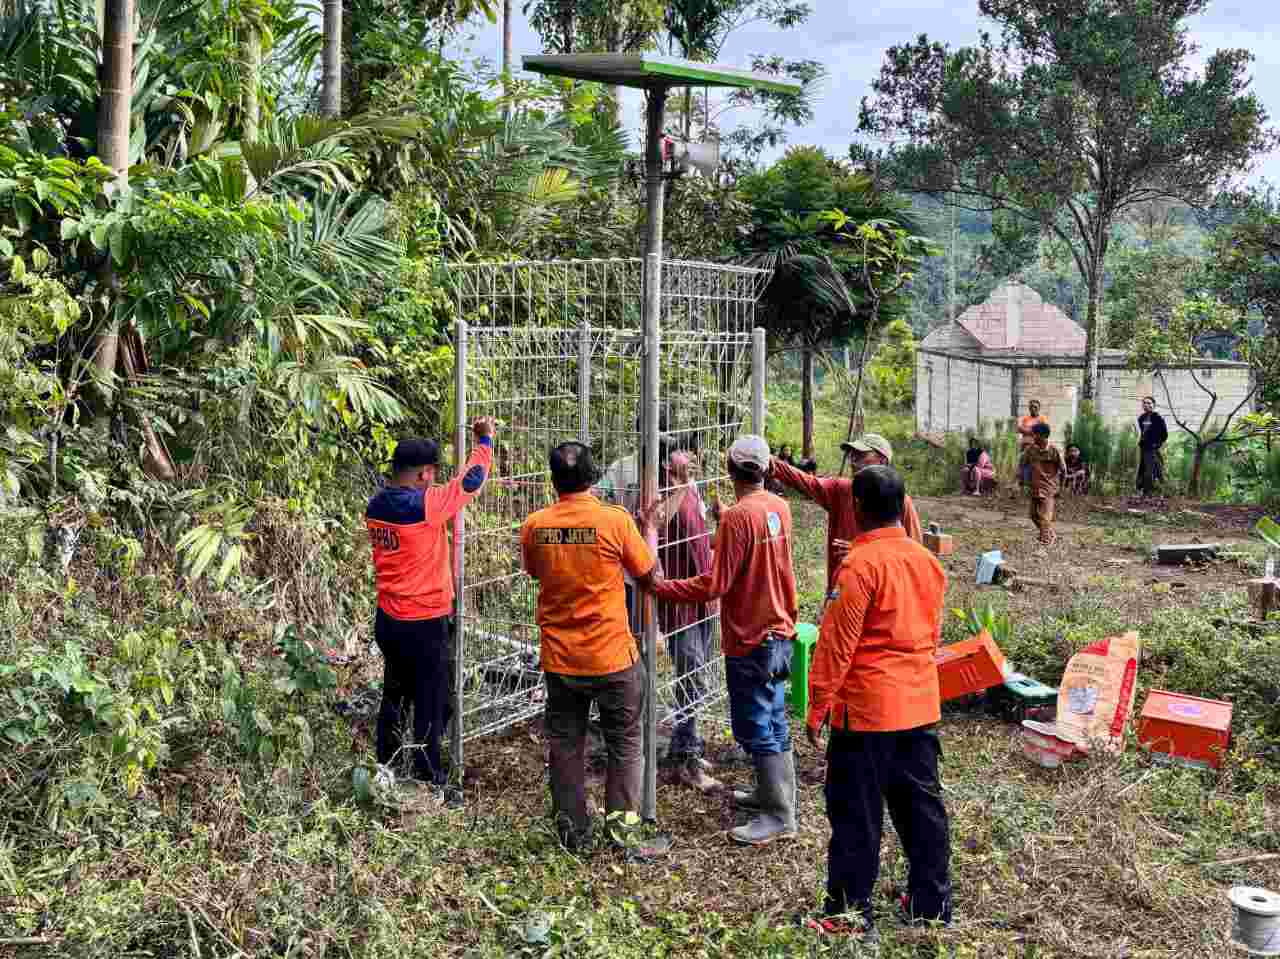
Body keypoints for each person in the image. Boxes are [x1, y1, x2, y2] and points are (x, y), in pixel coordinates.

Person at [802, 465, 950, 940]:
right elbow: (931, 635)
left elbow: (836, 645)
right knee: (921, 810)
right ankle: (931, 904)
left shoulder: (860, 566)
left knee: (855, 814)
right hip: (919, 706)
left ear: (858, 508)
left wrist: (817, 705)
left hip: (866, 713)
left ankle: (847, 914)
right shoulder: (928, 562)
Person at [648, 435, 799, 846]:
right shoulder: (778, 508)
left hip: (751, 635)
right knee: (775, 717)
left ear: (730, 470)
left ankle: (779, 816)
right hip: (779, 628)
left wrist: (662, 587)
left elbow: (716, 583)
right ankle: (774, 795)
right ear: (767, 470)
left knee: (755, 725)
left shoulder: (737, 517)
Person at [521, 442, 658, 849]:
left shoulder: (535, 525)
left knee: (565, 746)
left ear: (552, 480)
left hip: (562, 661)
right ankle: (623, 835)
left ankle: (573, 834)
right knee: (626, 744)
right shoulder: (614, 521)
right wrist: (648, 529)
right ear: (594, 476)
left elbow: (534, 571)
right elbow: (648, 573)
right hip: (613, 657)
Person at [365, 418, 495, 786]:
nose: (436, 480)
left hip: (389, 618)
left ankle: (386, 765)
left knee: (395, 692)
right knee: (430, 700)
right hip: (424, 621)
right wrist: (483, 440)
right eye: (433, 474)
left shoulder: (376, 505)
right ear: (424, 474)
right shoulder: (424, 506)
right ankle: (429, 776)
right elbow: (471, 481)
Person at [770, 433, 923, 595]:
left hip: (879, 597)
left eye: (861, 455)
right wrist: (769, 462)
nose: (853, 461)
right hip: (839, 591)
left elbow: (914, 557)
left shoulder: (902, 503)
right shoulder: (841, 490)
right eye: (852, 455)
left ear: (882, 461)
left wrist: (863, 554)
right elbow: (804, 480)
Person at [656, 450, 719, 792]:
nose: (693, 463)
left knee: (697, 674)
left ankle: (686, 739)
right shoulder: (659, 489)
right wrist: (680, 488)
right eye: (685, 459)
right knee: (693, 676)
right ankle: (684, 757)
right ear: (668, 464)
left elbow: (700, 537)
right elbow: (658, 523)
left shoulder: (694, 487)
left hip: (704, 597)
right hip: (678, 600)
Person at [1020, 422, 1065, 547]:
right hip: (1035, 487)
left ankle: (1046, 542)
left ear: (1043, 435)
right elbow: (1022, 464)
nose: (1033, 437)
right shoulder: (1031, 450)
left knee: (1045, 517)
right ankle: (1049, 533)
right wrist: (1021, 480)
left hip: (1049, 488)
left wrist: (1061, 486)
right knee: (1034, 515)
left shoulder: (1054, 450)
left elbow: (1063, 469)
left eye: (1035, 435)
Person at [1137, 396, 1168, 498]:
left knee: (1151, 469)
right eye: (1145, 403)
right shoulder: (1141, 418)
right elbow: (1143, 432)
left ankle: (1149, 492)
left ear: (1154, 405)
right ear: (1142, 405)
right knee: (1144, 468)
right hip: (1144, 448)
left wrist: (1157, 444)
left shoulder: (1158, 418)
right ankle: (1146, 491)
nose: (1147, 405)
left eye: (1149, 403)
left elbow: (1164, 434)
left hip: (1153, 448)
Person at [1016, 400, 1048, 490]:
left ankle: (1035, 487)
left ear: (1039, 408)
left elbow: (1042, 432)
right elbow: (1019, 429)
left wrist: (1027, 430)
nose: (1033, 408)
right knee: (1023, 465)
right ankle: (1023, 485)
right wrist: (1031, 430)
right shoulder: (1026, 418)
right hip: (1024, 446)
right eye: (1031, 407)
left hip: (1035, 447)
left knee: (1034, 467)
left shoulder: (1042, 419)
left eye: (1035, 407)